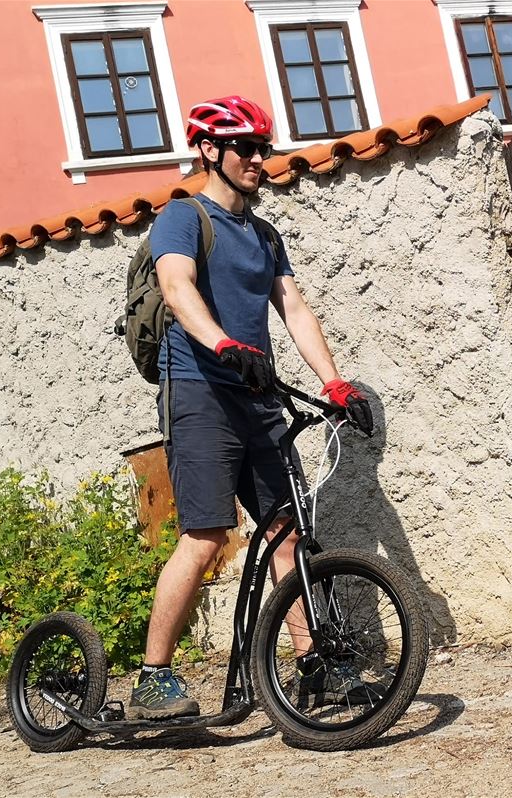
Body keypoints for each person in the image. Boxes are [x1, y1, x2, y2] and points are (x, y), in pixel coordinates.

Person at [130, 95, 373, 719]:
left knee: (286, 532)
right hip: (201, 391)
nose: (258, 159)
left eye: (263, 148)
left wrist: (334, 384)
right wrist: (224, 343)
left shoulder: (264, 234)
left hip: (256, 396)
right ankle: (153, 679)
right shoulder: (183, 218)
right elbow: (178, 286)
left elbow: (292, 308)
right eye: (246, 148)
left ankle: (312, 663)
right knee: (206, 536)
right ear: (210, 150)